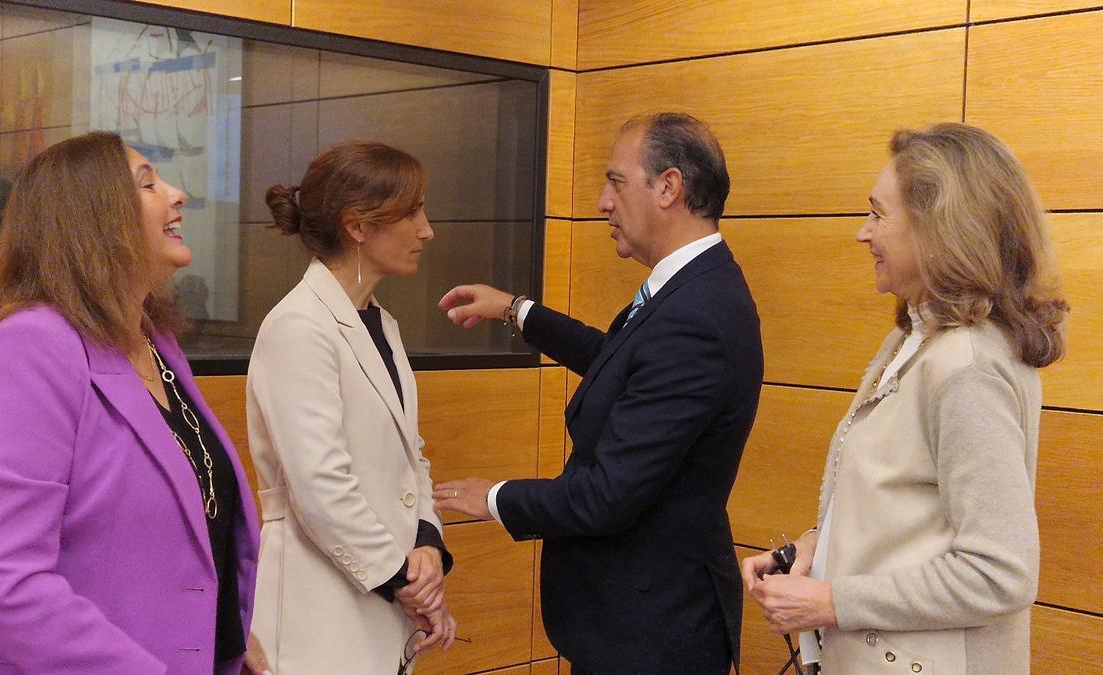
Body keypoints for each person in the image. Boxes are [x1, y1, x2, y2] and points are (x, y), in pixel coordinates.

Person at [0, 132, 262, 673]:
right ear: (93, 219)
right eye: (148, 183)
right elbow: (6, 578)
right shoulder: (28, 349)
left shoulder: (154, 342)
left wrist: (223, 632)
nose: (177, 194)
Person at [435, 113, 762, 674]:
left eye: (616, 182)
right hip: (635, 622)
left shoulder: (697, 316)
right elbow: (621, 362)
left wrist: (495, 498)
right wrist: (517, 311)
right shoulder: (690, 288)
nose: (602, 202)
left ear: (668, 187)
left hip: (653, 631)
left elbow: (607, 495)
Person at [741, 123, 1068, 674]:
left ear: (939, 227)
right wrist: (815, 548)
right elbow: (900, 508)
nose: (862, 233)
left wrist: (833, 602)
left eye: (878, 214)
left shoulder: (966, 365)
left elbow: (1000, 574)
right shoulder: (915, 339)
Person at [247, 141, 456, 673]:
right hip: (321, 611)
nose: (427, 230)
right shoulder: (298, 325)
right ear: (358, 226)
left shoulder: (380, 322)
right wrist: (406, 581)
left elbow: (411, 456)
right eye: (412, 212)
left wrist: (428, 544)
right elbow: (320, 485)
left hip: (382, 598)